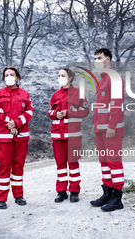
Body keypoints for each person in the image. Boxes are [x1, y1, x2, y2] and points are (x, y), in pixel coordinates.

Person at [0, 66, 34, 209]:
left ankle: (18, 195)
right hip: (4, 138)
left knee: (18, 166)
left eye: (12, 74)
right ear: (4, 78)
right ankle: (1, 198)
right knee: (4, 166)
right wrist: (10, 124)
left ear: (17, 78)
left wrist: (16, 123)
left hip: (21, 137)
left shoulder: (25, 94)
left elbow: (29, 111)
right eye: (6, 75)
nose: (9, 77)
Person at [90, 48, 125, 212]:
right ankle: (108, 193)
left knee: (113, 162)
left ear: (108, 59)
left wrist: (111, 126)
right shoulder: (102, 79)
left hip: (112, 130)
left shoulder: (114, 78)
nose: (97, 60)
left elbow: (117, 104)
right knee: (104, 162)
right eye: (95, 58)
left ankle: (117, 198)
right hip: (100, 130)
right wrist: (96, 126)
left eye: (100, 58)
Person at [48, 68, 89, 203]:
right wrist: (55, 114)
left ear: (70, 77)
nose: (60, 77)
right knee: (60, 164)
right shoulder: (55, 95)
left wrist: (68, 112)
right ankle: (61, 191)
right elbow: (50, 111)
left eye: (63, 75)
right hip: (57, 135)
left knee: (73, 163)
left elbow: (85, 111)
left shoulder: (79, 93)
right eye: (59, 75)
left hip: (73, 135)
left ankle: (74, 191)